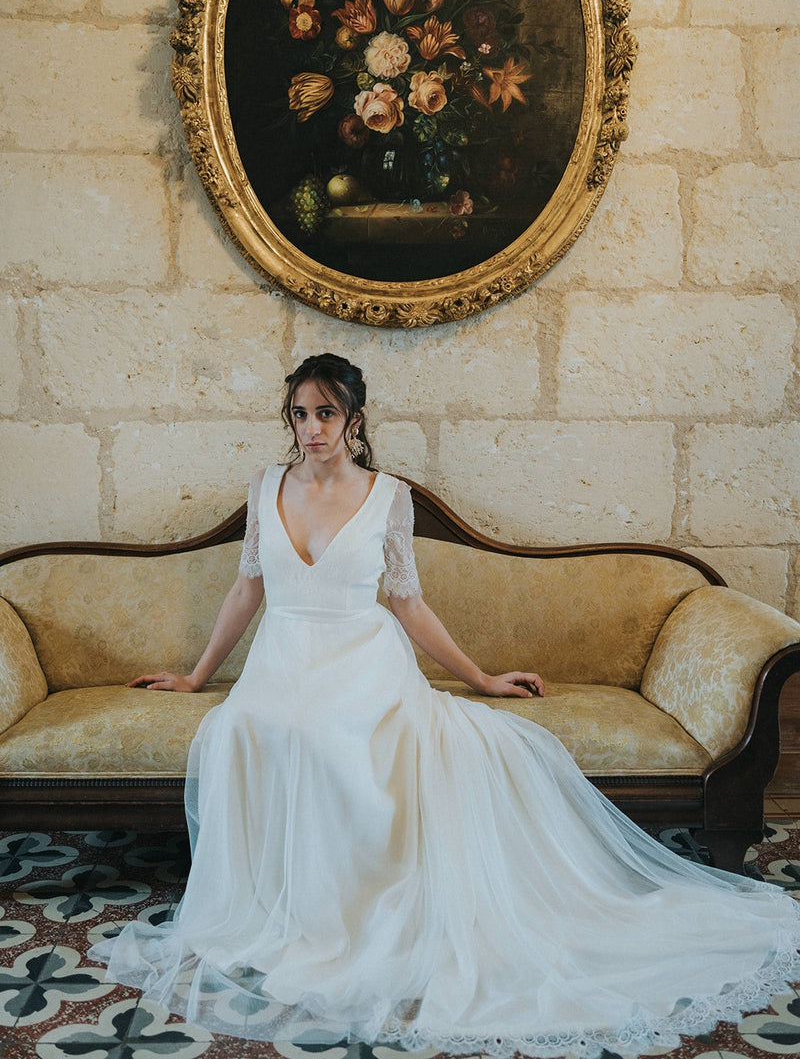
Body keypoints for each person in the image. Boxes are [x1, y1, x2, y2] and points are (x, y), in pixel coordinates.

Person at [91, 353, 800, 1059]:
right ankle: (294, 904)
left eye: (326, 413)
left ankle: (364, 906)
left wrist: (482, 678)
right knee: (245, 725)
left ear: (354, 419)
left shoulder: (387, 496)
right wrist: (196, 676)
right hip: (282, 660)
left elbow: (407, 602)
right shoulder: (265, 485)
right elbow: (246, 589)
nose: (311, 429)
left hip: (360, 658)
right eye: (300, 414)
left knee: (339, 733)